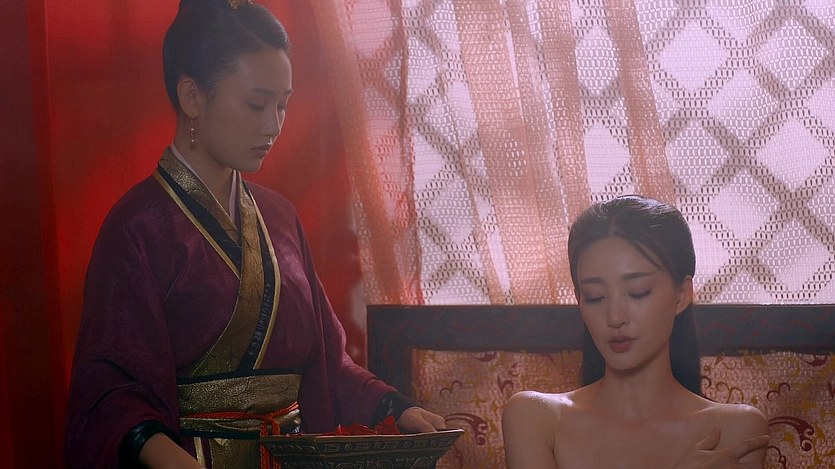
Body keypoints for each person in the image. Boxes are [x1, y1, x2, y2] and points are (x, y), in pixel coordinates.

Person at [64, 1, 445, 468]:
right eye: (256, 103)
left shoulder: (280, 217)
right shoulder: (137, 227)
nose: (274, 125)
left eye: (282, 104)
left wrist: (394, 407)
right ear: (192, 96)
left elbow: (329, 364)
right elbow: (111, 396)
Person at [502, 195, 770, 469]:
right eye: (595, 297)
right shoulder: (535, 417)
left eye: (638, 292)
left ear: (681, 294)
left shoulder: (733, 429)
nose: (615, 317)